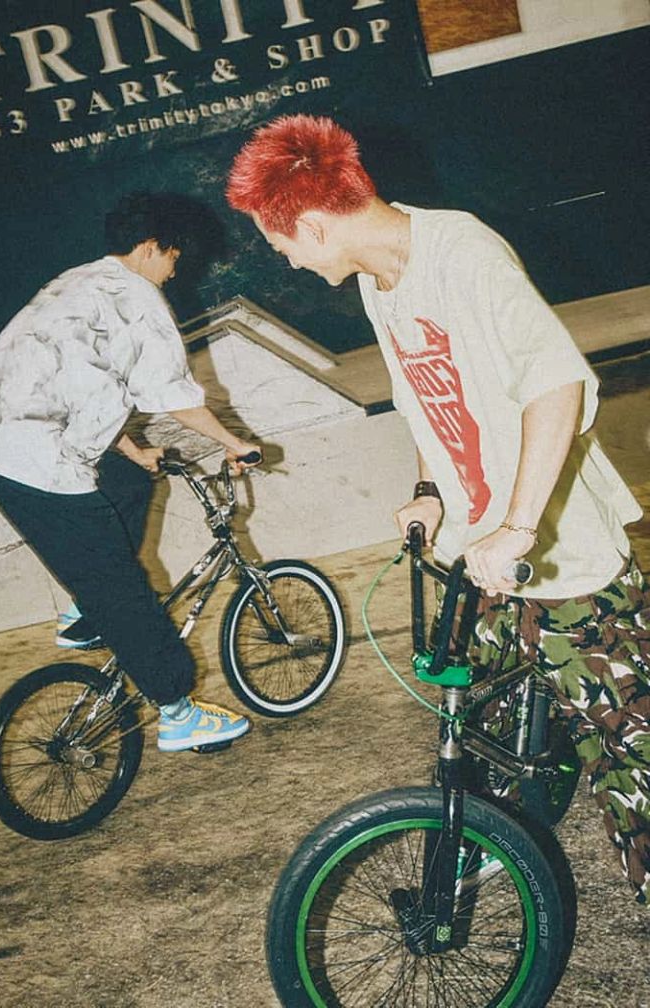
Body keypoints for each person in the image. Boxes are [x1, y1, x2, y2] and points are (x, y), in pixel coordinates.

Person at [226, 114, 650, 904]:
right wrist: (429, 493)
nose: (283, 257)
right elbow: (425, 401)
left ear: (314, 226)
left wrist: (517, 527)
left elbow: (557, 384)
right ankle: (493, 836)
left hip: (560, 556)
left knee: (630, 755)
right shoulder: (378, 282)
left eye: (278, 243)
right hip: (477, 553)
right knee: (474, 719)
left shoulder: (463, 253)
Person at [0, 191, 261, 753]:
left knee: (129, 482)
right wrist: (235, 442)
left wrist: (131, 449)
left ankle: (84, 614)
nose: (173, 271)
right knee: (123, 589)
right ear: (150, 248)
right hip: (35, 459)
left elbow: (81, 382)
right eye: (173, 258)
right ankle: (177, 711)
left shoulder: (74, 283)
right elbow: (174, 397)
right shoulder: (139, 300)